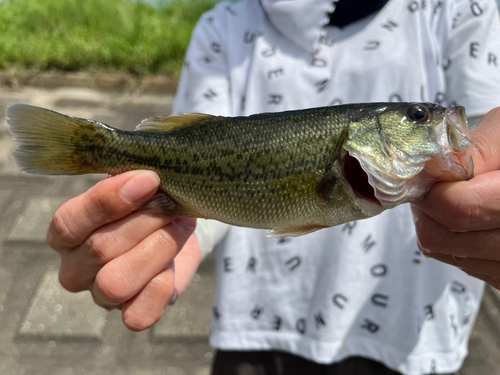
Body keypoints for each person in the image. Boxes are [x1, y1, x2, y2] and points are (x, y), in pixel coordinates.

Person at [47, 0, 500, 374]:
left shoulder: (462, 11)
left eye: (418, 116)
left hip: (407, 337)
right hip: (254, 332)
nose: (436, 121)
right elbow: (203, 154)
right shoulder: (223, 26)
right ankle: (85, 145)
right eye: (418, 118)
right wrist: (175, 232)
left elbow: (480, 138)